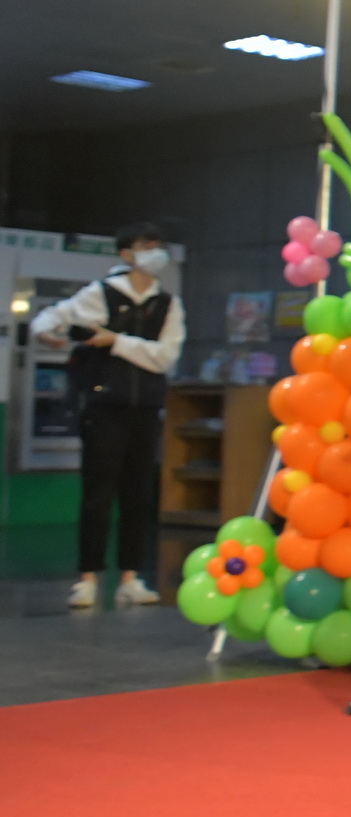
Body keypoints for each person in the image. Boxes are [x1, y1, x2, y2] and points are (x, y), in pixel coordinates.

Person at [32, 224, 185, 609]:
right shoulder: (100, 294)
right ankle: (88, 577)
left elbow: (164, 356)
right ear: (127, 254)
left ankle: (131, 577)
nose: (156, 252)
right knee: (98, 493)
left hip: (145, 408)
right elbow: (48, 319)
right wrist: (45, 334)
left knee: (138, 494)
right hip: (104, 407)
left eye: (159, 246)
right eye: (147, 245)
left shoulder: (168, 304)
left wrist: (116, 341)